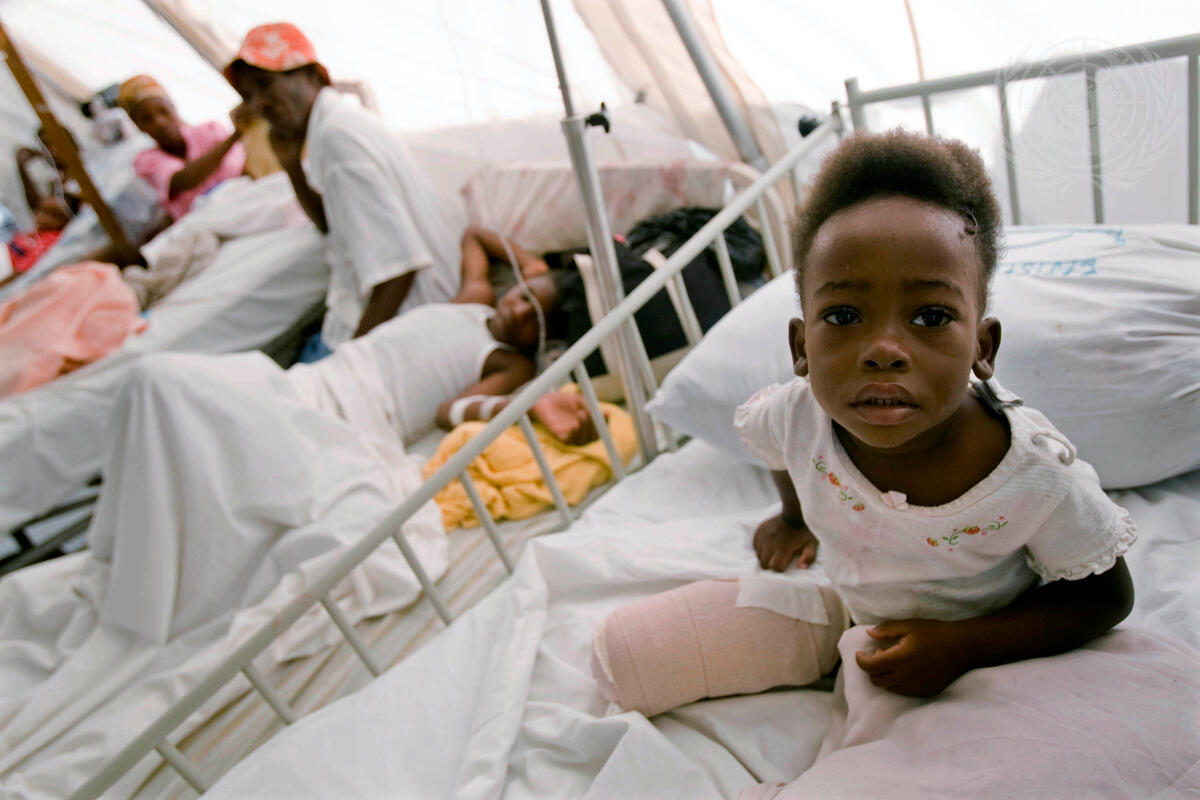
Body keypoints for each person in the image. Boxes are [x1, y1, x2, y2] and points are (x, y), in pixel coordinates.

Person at [735, 129, 1135, 699]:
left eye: (930, 317)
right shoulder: (795, 415)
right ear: (801, 347)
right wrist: (794, 517)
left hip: (990, 658)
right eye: (844, 315)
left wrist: (963, 645)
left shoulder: (1035, 477)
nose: (884, 350)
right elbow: (778, 447)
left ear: (982, 348)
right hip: (863, 633)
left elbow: (1107, 598)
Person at [224, 23, 459, 350]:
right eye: (249, 96)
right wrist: (292, 168)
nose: (258, 104)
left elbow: (398, 273)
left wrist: (349, 362)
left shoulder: (337, 138)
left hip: (412, 322)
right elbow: (329, 223)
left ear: (313, 76)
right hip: (411, 311)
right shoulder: (338, 125)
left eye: (266, 84)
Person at [118, 75, 250, 222]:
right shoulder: (145, 161)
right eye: (147, 119)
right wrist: (235, 136)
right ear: (138, 126)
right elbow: (185, 180)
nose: (160, 123)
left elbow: (246, 167)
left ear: (173, 108)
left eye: (164, 111)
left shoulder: (210, 131)